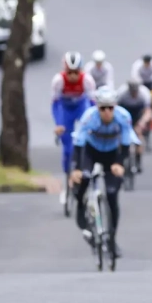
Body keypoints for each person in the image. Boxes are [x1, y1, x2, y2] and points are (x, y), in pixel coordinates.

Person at [70, 87, 137, 258]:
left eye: (110, 108)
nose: (107, 112)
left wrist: (120, 164)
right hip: (91, 152)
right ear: (97, 107)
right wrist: (76, 169)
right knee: (83, 177)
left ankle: (112, 240)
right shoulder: (89, 117)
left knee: (112, 193)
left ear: (115, 107)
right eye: (103, 108)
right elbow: (78, 145)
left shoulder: (123, 117)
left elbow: (126, 143)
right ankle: (80, 205)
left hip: (112, 154)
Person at [52, 51, 96, 198]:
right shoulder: (58, 80)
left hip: (81, 106)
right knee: (68, 148)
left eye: (75, 72)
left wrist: (93, 123)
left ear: (80, 71)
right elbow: (55, 104)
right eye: (69, 72)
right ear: (65, 70)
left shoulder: (87, 80)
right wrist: (58, 124)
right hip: (65, 109)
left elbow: (92, 104)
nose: (72, 76)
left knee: (86, 140)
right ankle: (68, 181)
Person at [116, 77, 152, 173]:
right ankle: (121, 159)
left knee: (139, 135)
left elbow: (148, 111)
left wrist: (142, 123)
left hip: (138, 113)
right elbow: (116, 110)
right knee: (120, 136)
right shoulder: (122, 93)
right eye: (132, 91)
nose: (133, 93)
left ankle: (138, 160)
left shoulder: (144, 93)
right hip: (125, 112)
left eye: (135, 91)